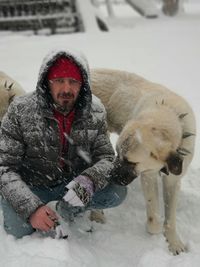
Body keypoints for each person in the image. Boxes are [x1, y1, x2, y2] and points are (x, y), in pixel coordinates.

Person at [0, 48, 127, 238]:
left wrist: (89, 181)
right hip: (31, 185)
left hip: (72, 182)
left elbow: (107, 157)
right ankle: (32, 207)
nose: (66, 89)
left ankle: (68, 208)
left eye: (73, 82)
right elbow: (4, 167)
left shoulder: (96, 111)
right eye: (59, 81)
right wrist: (32, 209)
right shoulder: (20, 110)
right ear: (47, 82)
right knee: (19, 231)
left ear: (82, 84)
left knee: (116, 192)